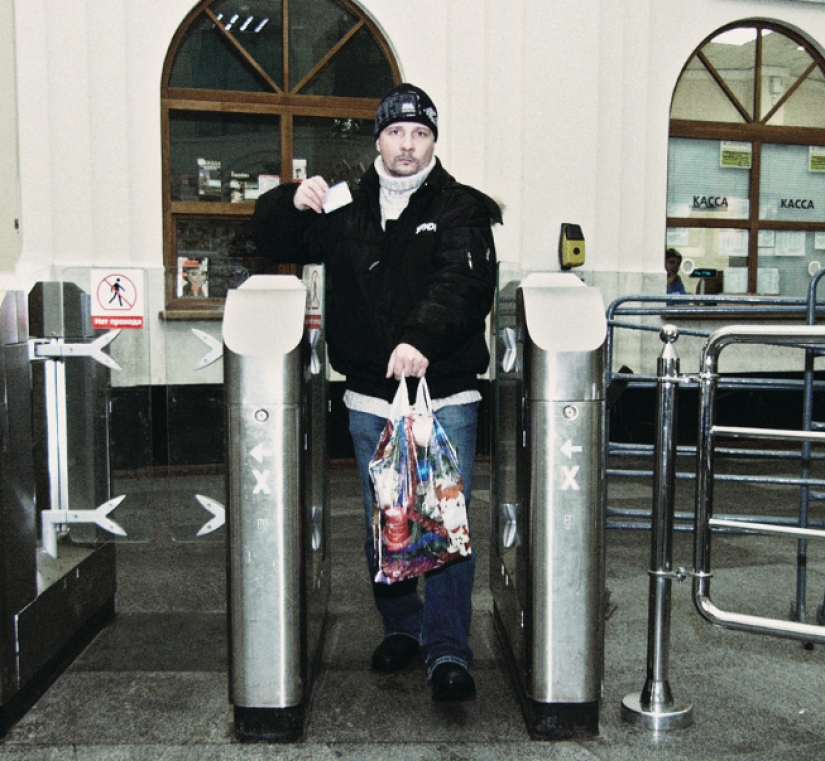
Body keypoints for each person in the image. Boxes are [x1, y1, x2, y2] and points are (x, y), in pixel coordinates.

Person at [252, 83, 502, 701]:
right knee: (386, 519)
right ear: (378, 140)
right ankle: (403, 627)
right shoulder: (343, 206)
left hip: (444, 394)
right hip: (369, 395)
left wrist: (419, 339)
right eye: (396, 133)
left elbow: (463, 287)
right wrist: (291, 198)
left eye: (420, 134)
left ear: (433, 142)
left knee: (445, 522)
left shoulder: (464, 206)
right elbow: (273, 238)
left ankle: (448, 649)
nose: (408, 146)